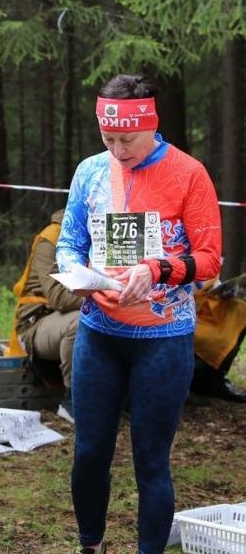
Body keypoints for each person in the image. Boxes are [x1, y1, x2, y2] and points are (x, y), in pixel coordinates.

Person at [56, 74, 222, 554]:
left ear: (152, 124)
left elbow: (210, 259)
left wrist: (157, 269)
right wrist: (78, 274)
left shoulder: (188, 173)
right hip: (99, 332)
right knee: (89, 453)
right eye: (108, 138)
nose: (118, 149)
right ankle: (91, 545)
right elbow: (69, 243)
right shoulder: (91, 171)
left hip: (163, 337)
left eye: (127, 139)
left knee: (151, 461)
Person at [10, 209, 82, 422]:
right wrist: (111, 296)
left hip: (88, 310)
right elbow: (60, 298)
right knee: (82, 323)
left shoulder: (107, 235)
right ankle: (73, 401)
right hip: (38, 321)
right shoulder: (52, 238)